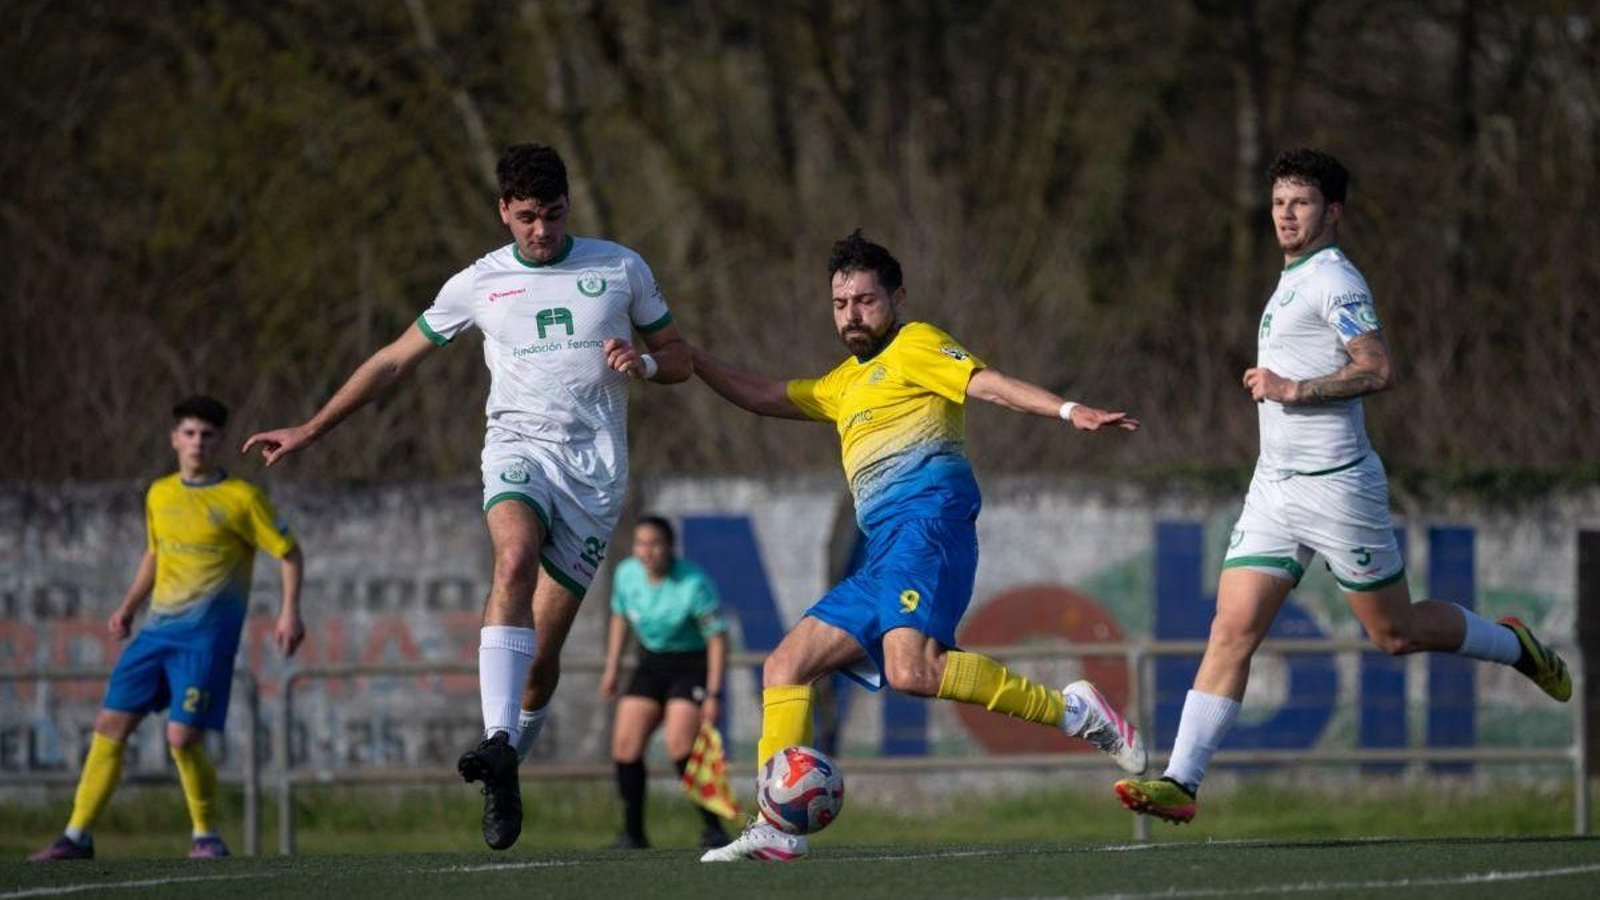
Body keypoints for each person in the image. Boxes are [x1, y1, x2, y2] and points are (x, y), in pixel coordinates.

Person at [241, 144, 691, 850]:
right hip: (517, 453)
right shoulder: (479, 283)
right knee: (513, 559)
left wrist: (648, 361)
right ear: (503, 213)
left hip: (595, 480)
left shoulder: (619, 267)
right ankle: (495, 737)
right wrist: (312, 427)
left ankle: (506, 763)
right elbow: (393, 358)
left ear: (570, 206)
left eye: (553, 215)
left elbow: (683, 358)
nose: (540, 231)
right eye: (525, 218)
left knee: (541, 665)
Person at [1112, 148, 1572, 825]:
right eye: (1278, 203)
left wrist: (1295, 388)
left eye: (1300, 203)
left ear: (1333, 212)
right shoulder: (1290, 279)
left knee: (1396, 633)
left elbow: (1377, 368)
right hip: (1274, 488)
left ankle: (1515, 645)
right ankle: (1182, 781)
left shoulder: (1336, 280)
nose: (1286, 215)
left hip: (1337, 489)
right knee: (1230, 630)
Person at [691, 230, 1147, 863]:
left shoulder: (917, 344)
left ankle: (1074, 710)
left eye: (866, 300)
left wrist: (1068, 411)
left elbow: (989, 384)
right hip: (885, 553)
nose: (852, 314)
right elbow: (766, 396)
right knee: (784, 667)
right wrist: (695, 362)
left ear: (897, 297)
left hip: (930, 529)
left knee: (911, 671)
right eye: (841, 303)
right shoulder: (840, 385)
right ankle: (776, 823)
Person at [29, 396, 305, 861]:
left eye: (207, 434)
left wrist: (289, 611)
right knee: (109, 725)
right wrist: (127, 607)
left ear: (219, 442)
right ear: (175, 439)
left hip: (204, 641)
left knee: (180, 737)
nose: (197, 442)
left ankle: (206, 835)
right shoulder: (159, 493)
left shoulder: (241, 498)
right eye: (190, 433)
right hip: (155, 634)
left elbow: (289, 552)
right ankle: (76, 836)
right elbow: (154, 555)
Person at [601, 516, 732, 850]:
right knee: (625, 746)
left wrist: (713, 693)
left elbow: (717, 639)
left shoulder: (694, 584)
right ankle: (633, 833)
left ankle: (713, 828)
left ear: (670, 548)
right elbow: (619, 617)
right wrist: (612, 667)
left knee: (679, 745)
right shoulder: (626, 574)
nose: (648, 551)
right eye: (641, 543)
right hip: (650, 663)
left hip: (691, 666)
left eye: (655, 544)